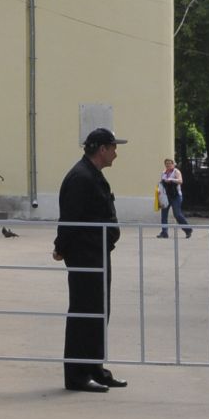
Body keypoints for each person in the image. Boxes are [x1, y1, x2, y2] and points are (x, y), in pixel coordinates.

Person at [54, 128, 127, 391]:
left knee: (98, 312)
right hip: (85, 255)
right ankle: (76, 375)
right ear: (102, 149)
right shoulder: (80, 177)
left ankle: (94, 367)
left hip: (97, 253)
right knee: (83, 314)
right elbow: (70, 219)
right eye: (113, 148)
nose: (116, 154)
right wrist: (60, 247)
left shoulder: (92, 175)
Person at [158, 158, 193, 239]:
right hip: (167, 196)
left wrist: (171, 180)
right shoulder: (163, 173)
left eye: (170, 163)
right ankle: (164, 232)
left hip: (176, 196)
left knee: (177, 214)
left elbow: (180, 181)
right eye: (166, 163)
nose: (168, 165)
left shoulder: (176, 171)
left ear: (173, 164)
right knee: (164, 214)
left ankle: (188, 230)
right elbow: (162, 184)